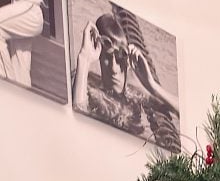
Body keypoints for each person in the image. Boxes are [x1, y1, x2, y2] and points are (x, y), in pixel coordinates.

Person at [72, 12, 178, 143]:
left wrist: (151, 85)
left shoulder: (137, 96)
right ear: (98, 55)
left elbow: (184, 112)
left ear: (128, 62)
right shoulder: (87, 86)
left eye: (119, 59)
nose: (113, 69)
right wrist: (84, 59)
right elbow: (76, 118)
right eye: (107, 57)